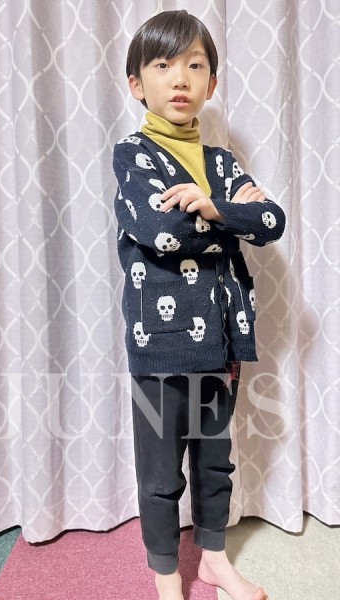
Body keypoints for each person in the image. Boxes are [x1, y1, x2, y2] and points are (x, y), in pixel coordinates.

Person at [112, 9, 285, 600]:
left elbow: (270, 221)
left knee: (215, 461)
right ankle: (167, 578)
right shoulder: (133, 155)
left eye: (194, 65)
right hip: (158, 347)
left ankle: (213, 560)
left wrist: (210, 206)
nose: (180, 78)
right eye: (163, 65)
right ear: (138, 83)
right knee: (161, 473)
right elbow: (159, 232)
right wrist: (231, 219)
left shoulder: (221, 163)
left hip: (221, 339)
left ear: (211, 83)